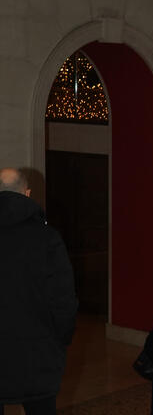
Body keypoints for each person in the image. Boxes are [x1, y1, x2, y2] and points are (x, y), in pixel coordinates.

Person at [0, 168, 78, 415]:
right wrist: (60, 340)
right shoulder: (47, 238)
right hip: (38, 355)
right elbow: (64, 301)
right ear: (27, 193)